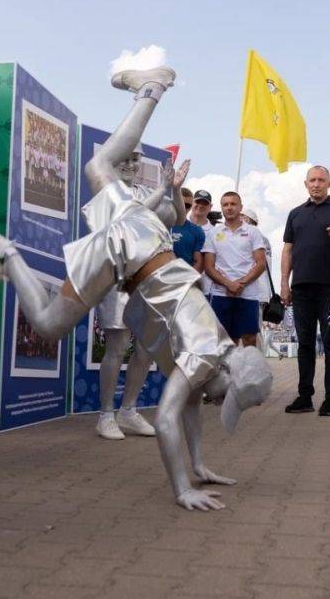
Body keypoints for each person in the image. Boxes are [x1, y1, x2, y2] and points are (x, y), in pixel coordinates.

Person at [0, 67, 273, 512]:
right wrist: (183, 489)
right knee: (51, 323)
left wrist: (200, 465)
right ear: (227, 378)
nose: (214, 403)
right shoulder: (207, 355)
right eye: (223, 400)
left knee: (99, 165)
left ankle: (150, 91)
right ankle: (7, 256)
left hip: (143, 238)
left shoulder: (217, 352)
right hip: (128, 253)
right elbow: (168, 419)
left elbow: (188, 405)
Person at [89, 142, 186, 442]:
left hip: (150, 279)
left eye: (135, 159)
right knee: (118, 347)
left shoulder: (147, 191)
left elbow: (178, 219)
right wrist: (163, 188)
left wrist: (176, 191)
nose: (130, 165)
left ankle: (128, 410)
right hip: (118, 278)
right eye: (125, 159)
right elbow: (131, 217)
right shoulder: (106, 192)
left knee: (146, 349)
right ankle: (106, 414)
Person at [280, 165, 330, 416]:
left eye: (321, 180)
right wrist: (285, 282)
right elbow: (288, 250)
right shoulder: (295, 214)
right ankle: (304, 396)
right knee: (305, 344)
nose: (316, 184)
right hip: (301, 289)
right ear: (305, 184)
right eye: (312, 180)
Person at [203, 192, 268, 346]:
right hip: (221, 294)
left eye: (233, 204)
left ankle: (249, 370)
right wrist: (228, 284)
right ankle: (229, 371)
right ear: (222, 208)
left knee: (249, 339)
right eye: (225, 204)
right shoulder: (213, 233)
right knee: (226, 340)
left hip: (248, 294)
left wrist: (240, 284)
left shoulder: (253, 232)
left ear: (240, 207)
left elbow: (261, 264)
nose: (229, 207)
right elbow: (208, 267)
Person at [171, 188, 205, 269]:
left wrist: (189, 280)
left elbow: (198, 261)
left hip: (184, 277)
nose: (183, 208)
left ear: (191, 207)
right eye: (180, 203)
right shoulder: (159, 225)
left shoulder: (197, 231)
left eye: (187, 205)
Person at [190, 189, 215, 293]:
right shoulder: (178, 225)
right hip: (177, 283)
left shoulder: (215, 233)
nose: (200, 205)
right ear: (192, 202)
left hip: (203, 287)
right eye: (198, 202)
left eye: (205, 203)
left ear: (210, 207)